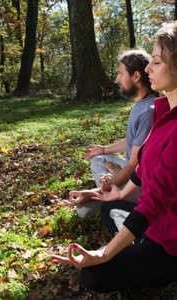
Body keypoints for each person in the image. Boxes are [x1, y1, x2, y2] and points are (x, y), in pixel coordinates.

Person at [52, 20, 177, 292]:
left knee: (92, 276)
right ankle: (132, 242)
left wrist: (105, 253)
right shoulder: (164, 111)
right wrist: (113, 194)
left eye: (156, 61)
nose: (147, 69)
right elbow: (142, 169)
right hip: (157, 226)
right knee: (109, 208)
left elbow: (156, 201)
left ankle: (134, 247)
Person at [65, 49, 157, 219]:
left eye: (121, 73)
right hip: (129, 172)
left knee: (83, 212)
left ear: (136, 76)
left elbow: (133, 166)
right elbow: (132, 142)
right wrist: (104, 149)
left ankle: (109, 192)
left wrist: (95, 192)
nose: (116, 79)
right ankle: (109, 187)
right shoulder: (140, 105)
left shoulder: (148, 112)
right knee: (98, 159)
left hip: (139, 183)